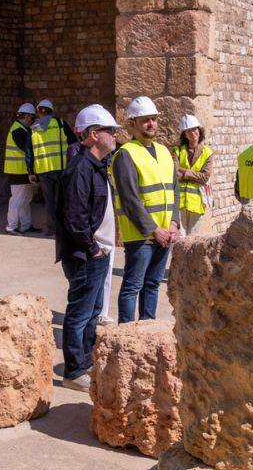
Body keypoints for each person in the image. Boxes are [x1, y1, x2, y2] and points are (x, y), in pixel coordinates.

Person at [55, 104, 120, 392]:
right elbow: (74, 216)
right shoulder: (80, 168)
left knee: (93, 311)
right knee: (79, 313)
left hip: (98, 252)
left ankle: (86, 359)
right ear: (94, 134)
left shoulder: (96, 164)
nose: (115, 136)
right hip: (86, 255)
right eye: (110, 131)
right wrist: (92, 247)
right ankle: (73, 370)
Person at [112, 96, 179, 323]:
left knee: (152, 284)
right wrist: (153, 230)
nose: (151, 124)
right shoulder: (125, 154)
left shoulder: (164, 152)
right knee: (133, 285)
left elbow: (174, 191)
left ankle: (148, 329)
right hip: (141, 235)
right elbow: (130, 200)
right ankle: (127, 333)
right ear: (132, 124)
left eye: (154, 119)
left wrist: (174, 223)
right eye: (145, 121)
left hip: (165, 232)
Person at [31, 99, 77, 237]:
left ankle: (50, 229)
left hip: (43, 170)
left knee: (49, 201)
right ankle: (62, 228)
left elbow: (29, 151)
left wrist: (30, 171)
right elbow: (73, 142)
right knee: (61, 200)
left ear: (39, 112)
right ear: (51, 111)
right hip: (60, 167)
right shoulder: (60, 124)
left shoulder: (33, 128)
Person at [174, 114, 213, 237]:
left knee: (192, 240)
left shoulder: (208, 153)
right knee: (180, 239)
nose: (192, 133)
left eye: (195, 129)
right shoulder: (177, 151)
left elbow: (205, 177)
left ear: (199, 130)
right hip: (179, 202)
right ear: (184, 134)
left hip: (197, 203)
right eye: (188, 131)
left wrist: (184, 172)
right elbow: (174, 174)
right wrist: (195, 175)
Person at [3, 102, 37, 234]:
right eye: (32, 118)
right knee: (17, 199)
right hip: (17, 170)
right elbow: (27, 149)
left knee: (26, 198)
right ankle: (11, 226)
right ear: (28, 116)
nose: (32, 121)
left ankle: (26, 225)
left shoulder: (22, 129)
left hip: (23, 170)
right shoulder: (18, 130)